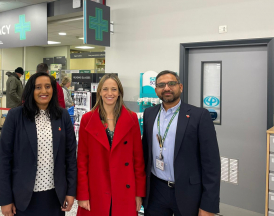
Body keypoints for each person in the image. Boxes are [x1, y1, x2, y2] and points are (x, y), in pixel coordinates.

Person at [0, 72, 77, 216]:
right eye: (38, 87)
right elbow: (4, 159)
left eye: (48, 87)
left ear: (53, 89)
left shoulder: (62, 116)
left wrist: (71, 191)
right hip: (23, 197)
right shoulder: (16, 116)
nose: (43, 91)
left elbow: (70, 156)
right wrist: (5, 199)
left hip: (55, 196)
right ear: (30, 91)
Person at [142, 70, 220, 216]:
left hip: (188, 192)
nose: (166, 88)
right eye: (161, 85)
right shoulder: (149, 114)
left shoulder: (199, 115)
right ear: (156, 90)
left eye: (171, 83)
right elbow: (145, 154)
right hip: (155, 191)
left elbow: (212, 164)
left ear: (180, 87)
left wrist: (209, 205)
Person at [77, 74, 146, 216]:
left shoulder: (131, 118)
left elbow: (138, 160)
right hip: (96, 186)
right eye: (105, 89)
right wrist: (82, 194)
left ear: (120, 93)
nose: (110, 93)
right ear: (100, 92)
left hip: (124, 188)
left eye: (114, 89)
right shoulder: (87, 119)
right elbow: (82, 160)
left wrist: (138, 193)